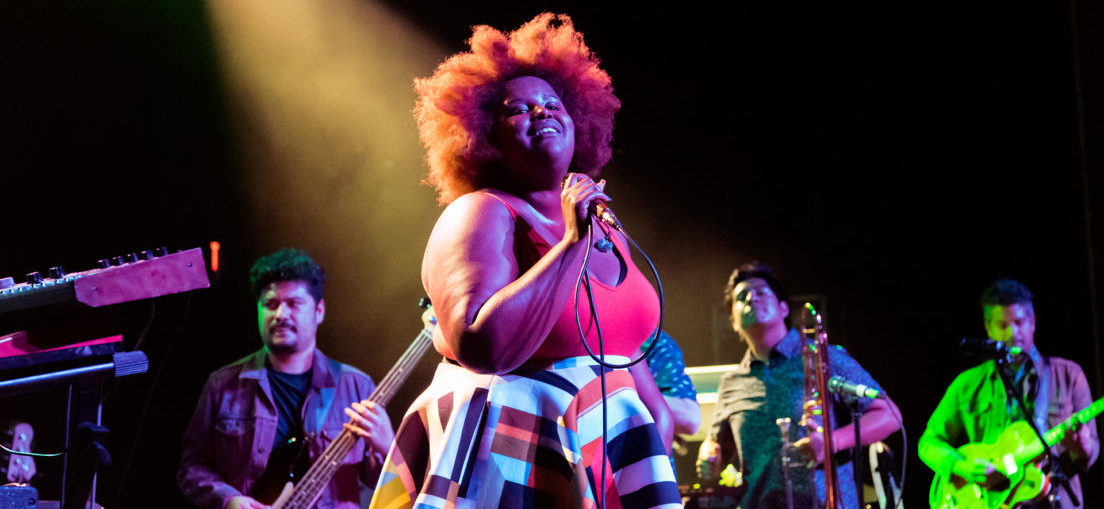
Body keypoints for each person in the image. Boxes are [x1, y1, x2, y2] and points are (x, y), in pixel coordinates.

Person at [368, 13, 681, 508]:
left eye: (554, 104)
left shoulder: (604, 228)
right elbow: (482, 346)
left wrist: (652, 437)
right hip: (517, 464)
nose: (542, 112)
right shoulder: (482, 212)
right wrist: (570, 244)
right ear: (482, 135)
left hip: (608, 465)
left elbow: (625, 356)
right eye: (519, 109)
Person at [178, 248, 395, 509]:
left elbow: (377, 482)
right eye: (270, 304)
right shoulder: (222, 385)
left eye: (294, 304)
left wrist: (387, 448)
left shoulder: (357, 385)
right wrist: (229, 500)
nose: (280, 315)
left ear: (319, 311)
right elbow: (191, 467)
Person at [696, 262, 901, 509]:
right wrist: (709, 457)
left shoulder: (824, 357)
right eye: (742, 296)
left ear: (784, 308)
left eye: (761, 292)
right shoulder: (731, 383)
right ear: (733, 322)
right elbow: (716, 443)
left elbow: (889, 414)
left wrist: (831, 443)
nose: (751, 297)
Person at [918, 278, 1099, 509]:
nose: (1012, 333)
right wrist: (960, 466)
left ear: (1033, 322)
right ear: (988, 327)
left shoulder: (1069, 375)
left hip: (1055, 501)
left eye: (1019, 322)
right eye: (1002, 326)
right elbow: (928, 444)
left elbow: (1091, 451)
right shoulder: (967, 384)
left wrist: (1083, 447)